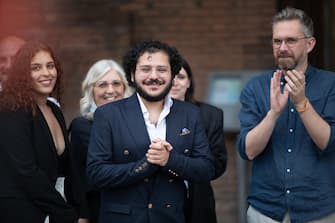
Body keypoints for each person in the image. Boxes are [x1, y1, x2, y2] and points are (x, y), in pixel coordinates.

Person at [87, 40, 215, 223]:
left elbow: (206, 169)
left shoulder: (190, 114)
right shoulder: (108, 115)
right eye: (145, 69)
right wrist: (146, 164)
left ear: (172, 75)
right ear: (132, 75)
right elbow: (96, 174)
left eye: (162, 70)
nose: (153, 76)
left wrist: (170, 160)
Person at [238, 7, 335, 223]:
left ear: (310, 44)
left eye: (291, 40)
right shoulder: (255, 88)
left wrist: (301, 103)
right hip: (266, 211)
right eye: (277, 41)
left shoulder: (331, 85)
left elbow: (328, 142)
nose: (282, 48)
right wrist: (273, 113)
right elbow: (248, 151)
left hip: (319, 210)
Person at [0, 41, 89, 223]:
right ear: (23, 74)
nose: (46, 73)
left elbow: (68, 170)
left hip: (53, 209)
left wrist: (82, 211)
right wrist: (68, 214)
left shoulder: (53, 109)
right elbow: (26, 173)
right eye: (36, 68)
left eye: (50, 66)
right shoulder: (11, 110)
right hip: (21, 212)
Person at [69, 59, 132, 223]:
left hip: (136, 208)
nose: (110, 90)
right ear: (91, 90)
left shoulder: (138, 123)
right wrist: (83, 214)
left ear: (124, 88)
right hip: (99, 208)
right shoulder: (81, 126)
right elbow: (76, 175)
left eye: (116, 83)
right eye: (102, 84)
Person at [169, 57, 227, 223]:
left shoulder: (210, 115)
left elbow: (218, 162)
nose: (175, 82)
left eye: (180, 77)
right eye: (170, 77)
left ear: (189, 82)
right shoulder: (149, 115)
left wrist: (184, 166)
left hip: (198, 200)